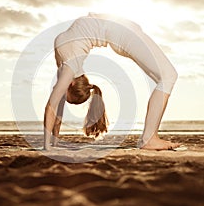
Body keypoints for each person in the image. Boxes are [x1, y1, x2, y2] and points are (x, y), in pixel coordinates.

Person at [44, 13, 180, 150]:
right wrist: (51, 143)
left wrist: (49, 145)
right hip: (123, 32)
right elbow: (55, 105)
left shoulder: (68, 67)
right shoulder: (67, 62)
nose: (61, 94)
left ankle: (149, 138)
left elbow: (53, 106)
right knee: (168, 76)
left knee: (167, 76)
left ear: (70, 84)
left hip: (124, 33)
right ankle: (149, 138)